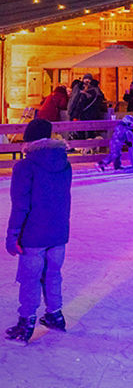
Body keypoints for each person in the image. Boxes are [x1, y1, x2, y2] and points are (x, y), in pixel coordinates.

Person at [5, 119, 72, 343]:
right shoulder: (64, 162)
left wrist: (12, 235)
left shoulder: (25, 167)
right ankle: (55, 315)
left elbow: (20, 205)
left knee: (30, 277)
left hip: (34, 234)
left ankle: (26, 322)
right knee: (53, 274)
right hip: (58, 232)